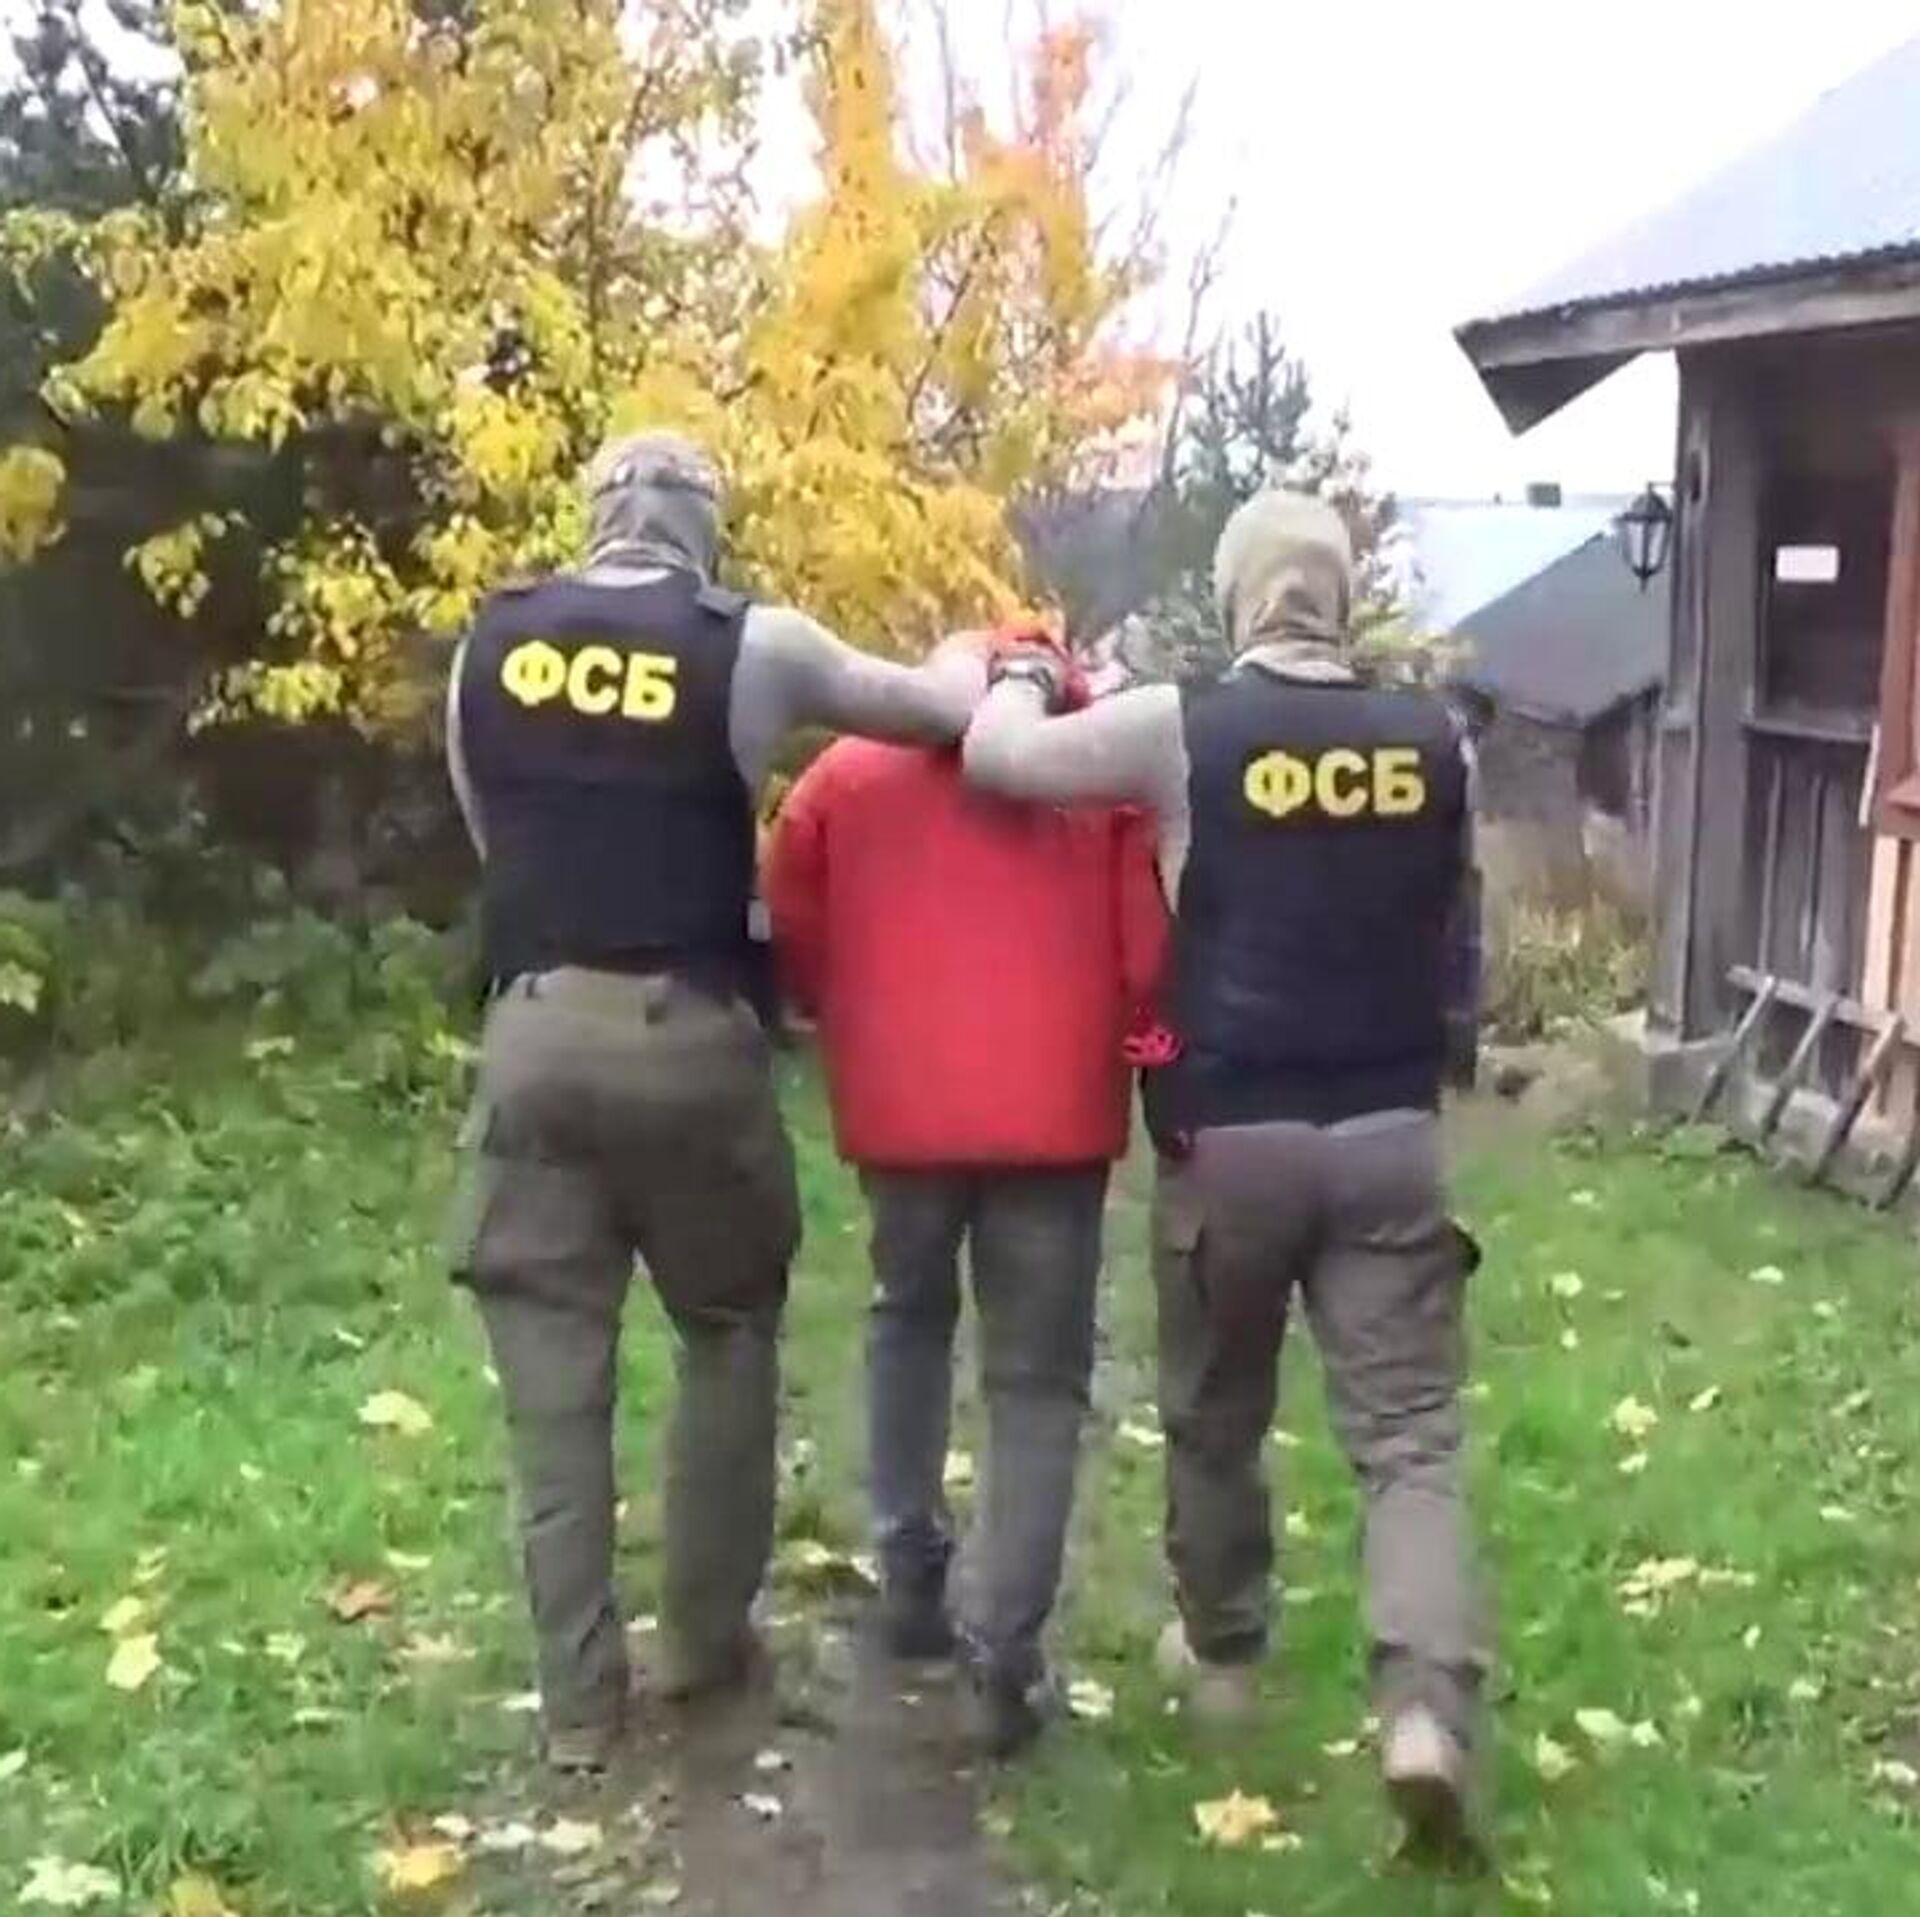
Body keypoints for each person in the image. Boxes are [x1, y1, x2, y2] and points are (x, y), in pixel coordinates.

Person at [444, 431, 982, 1775]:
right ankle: (701, 1648)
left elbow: (492, 837)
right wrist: (991, 661)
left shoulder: (488, 643)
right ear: (703, 527)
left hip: (535, 1030)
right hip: (693, 1039)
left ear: (594, 515)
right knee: (727, 1332)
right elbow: (933, 710)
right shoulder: (753, 643)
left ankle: (579, 1709)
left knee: (551, 1386)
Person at [961, 492, 1488, 1852]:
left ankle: (1225, 1658)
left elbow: (1001, 760)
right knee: (1410, 1441)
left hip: (1231, 1140)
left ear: (1240, 594)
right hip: (1387, 1134)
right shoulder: (1439, 741)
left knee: (1213, 1410)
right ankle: (1424, 1711)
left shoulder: (1182, 728)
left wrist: (1021, 671)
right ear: (1343, 596)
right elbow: (1458, 925)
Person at [761, 632, 1168, 1756]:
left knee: (907, 1317)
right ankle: (1004, 1647)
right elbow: (1149, 954)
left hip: (900, 1109)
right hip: (1056, 1115)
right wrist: (1140, 1040)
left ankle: (910, 1578)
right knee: (1037, 1378)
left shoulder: (845, 774)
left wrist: (845, 1012)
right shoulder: (1100, 777)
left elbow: (792, 917)